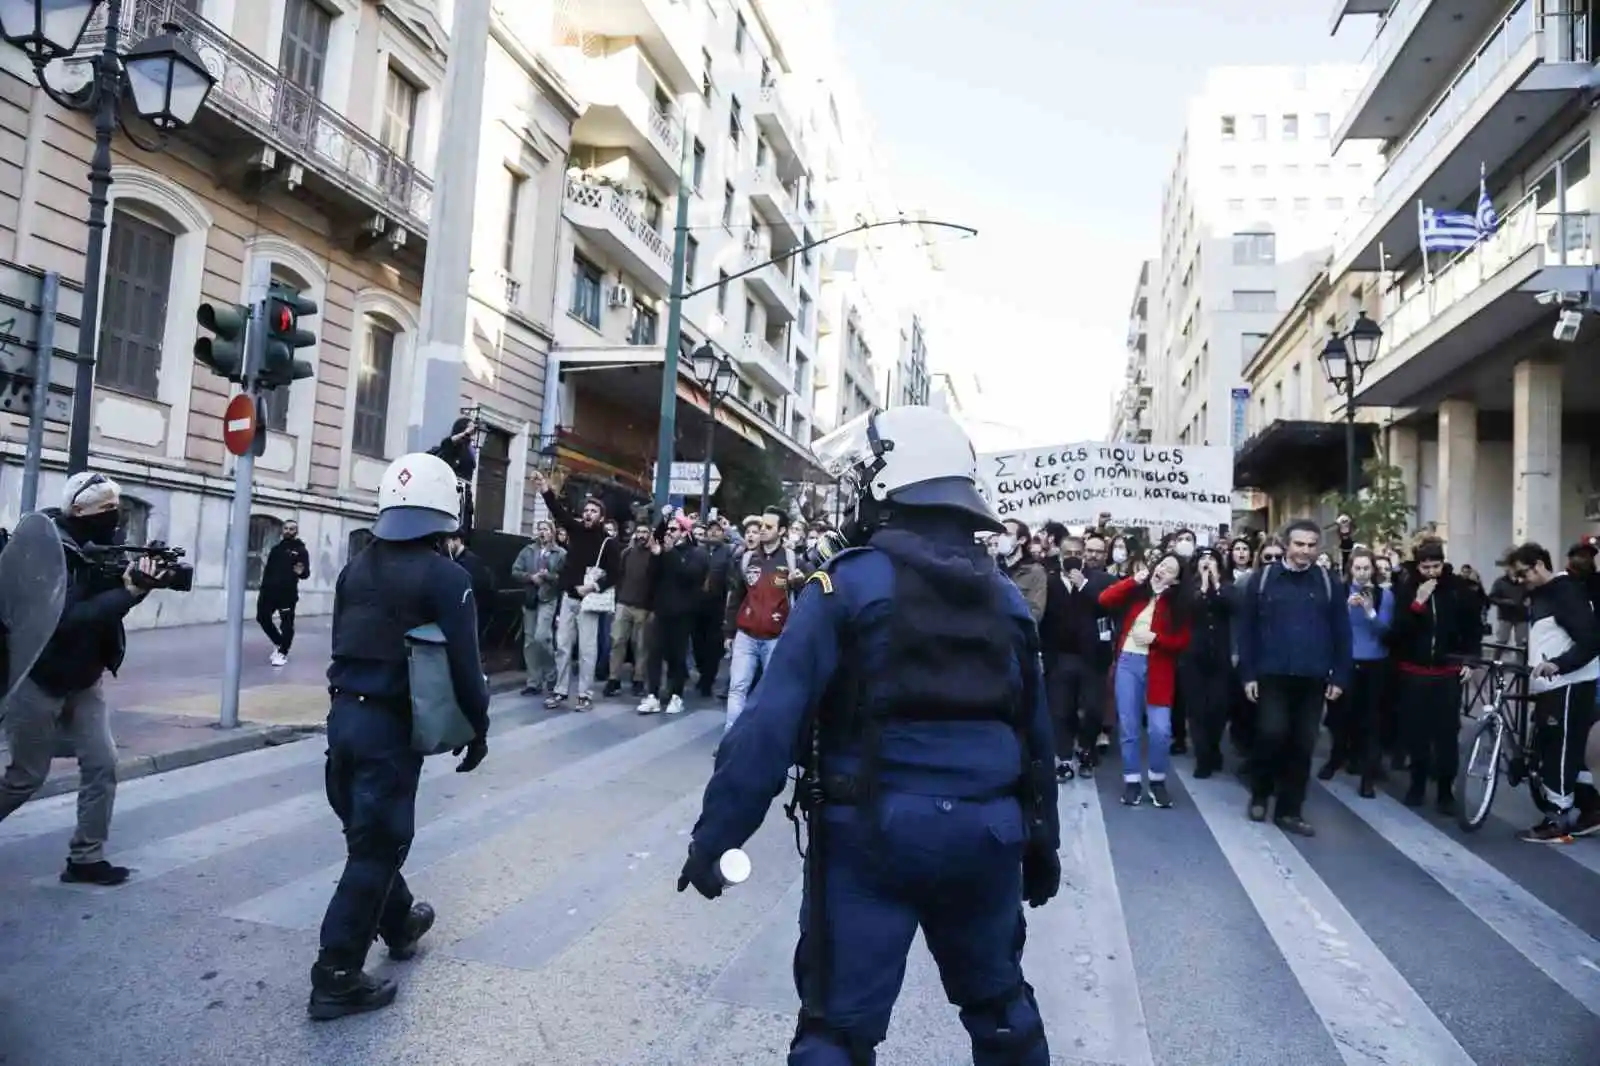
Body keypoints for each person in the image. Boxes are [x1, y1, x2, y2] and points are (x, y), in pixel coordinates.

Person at [680, 406, 1061, 1066]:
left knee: (837, 1030)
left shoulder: (844, 585)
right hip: (988, 835)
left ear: (889, 482)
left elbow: (769, 727)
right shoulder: (1004, 599)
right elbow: (1036, 739)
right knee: (1002, 1010)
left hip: (871, 836)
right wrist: (1041, 846)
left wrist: (717, 837)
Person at [311, 452, 491, 1021]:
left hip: (342, 720)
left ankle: (401, 919)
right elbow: (466, 663)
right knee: (378, 846)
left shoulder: (354, 567)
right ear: (445, 510)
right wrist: (478, 727)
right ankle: (336, 974)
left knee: (369, 836)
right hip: (388, 729)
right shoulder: (448, 577)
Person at [0, 472, 169, 886]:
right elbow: (66, 620)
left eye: (117, 509)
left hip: (85, 679)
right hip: (37, 679)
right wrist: (128, 593)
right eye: (104, 511)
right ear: (78, 511)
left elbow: (107, 610)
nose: (113, 518)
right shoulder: (47, 552)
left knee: (102, 764)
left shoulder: (104, 549)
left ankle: (86, 858)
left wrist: (141, 582)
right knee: (26, 778)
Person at [1235, 519, 1352, 837]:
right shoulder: (1263, 579)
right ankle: (1260, 793)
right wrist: (1248, 674)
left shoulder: (1329, 583)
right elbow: (1246, 632)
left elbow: (1342, 633)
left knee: (1303, 745)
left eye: (1312, 545)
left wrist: (1340, 677)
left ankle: (1290, 810)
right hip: (1271, 674)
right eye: (1299, 544)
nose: (1305, 550)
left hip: (1313, 677)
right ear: (1287, 544)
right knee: (1271, 734)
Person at [1505, 543, 1600, 843]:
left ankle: (1557, 819)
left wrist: (1558, 665)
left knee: (1559, 748)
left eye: (1522, 574)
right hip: (1556, 684)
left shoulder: (1565, 592)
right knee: (1568, 749)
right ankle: (1592, 809)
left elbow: (1590, 639)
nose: (1519, 580)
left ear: (1538, 566)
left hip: (1569, 684)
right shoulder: (1546, 593)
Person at [1387, 538, 1478, 814]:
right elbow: (1397, 632)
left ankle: (1444, 790)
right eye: (1425, 567)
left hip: (1446, 671)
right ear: (1418, 565)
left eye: (1435, 566)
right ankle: (1416, 783)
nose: (1431, 572)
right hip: (1414, 672)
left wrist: (1469, 660)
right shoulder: (1406, 588)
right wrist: (1418, 603)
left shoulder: (1458, 589)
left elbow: (1473, 627)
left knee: (1447, 732)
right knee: (1416, 731)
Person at [1100, 553, 1191, 807]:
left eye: (1170, 569)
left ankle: (1157, 779)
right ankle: (1131, 781)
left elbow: (1183, 641)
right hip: (1128, 662)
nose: (1162, 570)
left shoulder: (1179, 604)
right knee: (1129, 727)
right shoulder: (1137, 591)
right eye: (1161, 564)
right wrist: (1132, 580)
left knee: (1160, 729)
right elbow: (1105, 599)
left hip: (1159, 666)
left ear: (1176, 580)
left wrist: (1156, 639)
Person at [530, 470, 621, 711]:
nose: (588, 514)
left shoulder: (608, 543)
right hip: (568, 597)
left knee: (587, 650)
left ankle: (584, 694)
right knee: (562, 646)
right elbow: (559, 513)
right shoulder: (577, 530)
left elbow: (615, 574)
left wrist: (592, 586)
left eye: (593, 511)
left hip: (589, 600)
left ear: (601, 517)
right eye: (586, 510)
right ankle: (560, 691)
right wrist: (545, 490)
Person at [722, 506, 806, 734]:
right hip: (745, 636)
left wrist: (799, 582)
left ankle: (765, 741)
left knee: (772, 691)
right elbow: (736, 596)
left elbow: (807, 597)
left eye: (769, 527)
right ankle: (731, 740)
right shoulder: (747, 557)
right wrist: (729, 632)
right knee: (737, 688)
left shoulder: (792, 560)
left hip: (776, 638)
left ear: (782, 531)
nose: (762, 531)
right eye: (761, 526)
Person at [1319, 549, 1394, 798]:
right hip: (1345, 661)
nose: (1362, 573)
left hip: (1374, 663)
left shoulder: (1385, 595)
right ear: (1350, 569)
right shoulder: (1339, 593)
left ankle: (1368, 776)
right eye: (1358, 568)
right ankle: (1336, 758)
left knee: (1371, 720)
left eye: (1366, 568)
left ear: (1374, 570)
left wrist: (1370, 611)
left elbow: (1385, 631)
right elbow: (1328, 626)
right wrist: (1345, 608)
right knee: (1340, 716)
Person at [511, 520, 565, 695]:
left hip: (548, 598)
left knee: (542, 637)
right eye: (539, 529)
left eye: (546, 529)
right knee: (529, 642)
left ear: (552, 532)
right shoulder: (528, 551)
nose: (542, 532)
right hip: (531, 599)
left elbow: (563, 577)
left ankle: (551, 674)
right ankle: (533, 681)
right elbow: (515, 571)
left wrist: (548, 576)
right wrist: (530, 577)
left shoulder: (560, 553)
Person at [257, 518, 309, 666]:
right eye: (286, 528)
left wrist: (301, 572)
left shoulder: (300, 550)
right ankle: (280, 643)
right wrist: (263, 588)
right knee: (262, 617)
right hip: (269, 592)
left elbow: (305, 573)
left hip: (287, 594)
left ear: (296, 531)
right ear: (282, 530)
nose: (288, 531)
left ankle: (282, 653)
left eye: (291, 529)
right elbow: (268, 570)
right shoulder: (276, 549)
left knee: (286, 624)